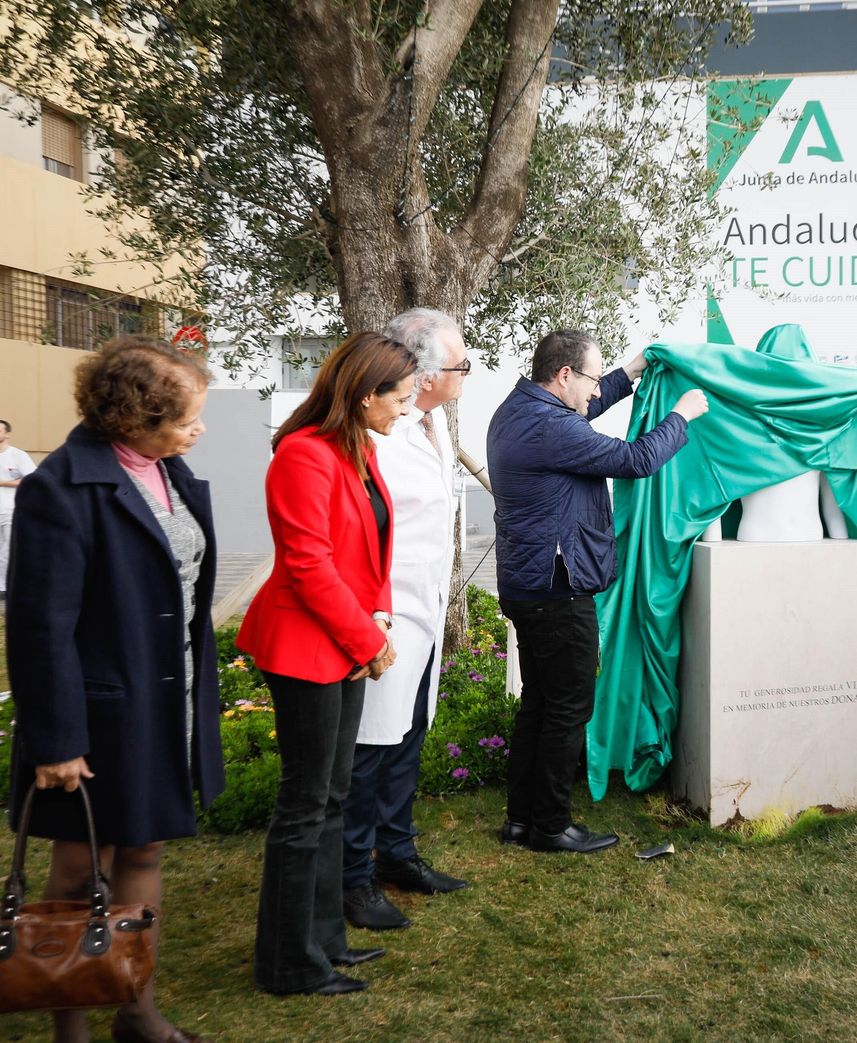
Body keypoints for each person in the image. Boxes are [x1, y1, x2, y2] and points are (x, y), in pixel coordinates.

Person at [5, 338, 224, 1043]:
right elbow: (41, 627)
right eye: (187, 417)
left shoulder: (173, 470)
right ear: (132, 418)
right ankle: (69, 1025)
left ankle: (137, 1009)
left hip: (165, 700)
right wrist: (57, 740)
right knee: (78, 870)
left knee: (145, 854)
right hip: (96, 715)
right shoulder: (61, 487)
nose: (199, 429)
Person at [237, 331, 417, 996]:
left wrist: (378, 615)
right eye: (398, 398)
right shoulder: (302, 455)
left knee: (333, 798)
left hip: (344, 641)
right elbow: (309, 565)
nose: (405, 409)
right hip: (306, 647)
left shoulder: (358, 446)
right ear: (367, 394)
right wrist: (368, 642)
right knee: (304, 805)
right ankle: (288, 962)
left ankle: (325, 940)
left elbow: (368, 548)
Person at [489, 329, 707, 853]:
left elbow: (581, 410)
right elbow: (636, 460)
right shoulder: (550, 426)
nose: (593, 392)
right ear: (563, 375)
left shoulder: (519, 410)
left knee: (540, 704)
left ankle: (522, 819)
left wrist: (627, 374)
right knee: (568, 707)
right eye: (590, 378)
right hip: (558, 590)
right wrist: (681, 415)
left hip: (527, 584)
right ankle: (551, 825)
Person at [340, 310, 472, 933]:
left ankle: (397, 854)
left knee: (408, 738)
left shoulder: (431, 422)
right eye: (459, 364)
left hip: (424, 610)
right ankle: (352, 878)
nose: (467, 372)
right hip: (383, 613)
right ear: (421, 373)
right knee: (370, 746)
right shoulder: (374, 437)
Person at [0, 419, 34, 599]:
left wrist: (5, 483)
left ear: (6, 434)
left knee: (13, 547)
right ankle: (2, 587)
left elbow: (31, 479)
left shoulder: (18, 455)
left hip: (12, 509)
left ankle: (20, 585)